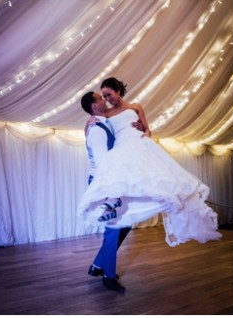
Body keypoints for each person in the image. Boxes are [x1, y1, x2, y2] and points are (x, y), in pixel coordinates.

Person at [77, 77, 221, 248]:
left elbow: (148, 130)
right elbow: (95, 124)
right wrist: (87, 125)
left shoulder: (136, 107)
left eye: (108, 95)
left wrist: (143, 130)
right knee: (129, 180)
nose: (107, 99)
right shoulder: (106, 114)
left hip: (139, 143)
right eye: (104, 97)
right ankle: (116, 205)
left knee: (157, 179)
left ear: (117, 91)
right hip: (122, 147)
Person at [80, 91, 134, 293]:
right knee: (113, 228)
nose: (105, 100)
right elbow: (104, 164)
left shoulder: (103, 124)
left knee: (126, 224)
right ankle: (108, 277)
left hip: (112, 180)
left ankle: (97, 266)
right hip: (105, 183)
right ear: (94, 106)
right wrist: (110, 192)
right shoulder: (96, 130)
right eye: (100, 98)